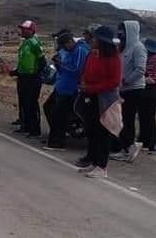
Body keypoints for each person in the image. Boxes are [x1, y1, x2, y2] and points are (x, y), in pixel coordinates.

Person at [76, 26, 123, 178]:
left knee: (103, 132)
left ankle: (102, 166)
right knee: (91, 130)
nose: (92, 40)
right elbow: (85, 71)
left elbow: (115, 81)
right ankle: (94, 161)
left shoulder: (113, 58)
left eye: (95, 38)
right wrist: (84, 83)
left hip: (105, 99)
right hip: (89, 95)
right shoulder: (92, 54)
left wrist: (93, 87)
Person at [43, 30, 89, 150]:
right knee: (50, 108)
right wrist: (58, 66)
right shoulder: (65, 52)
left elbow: (77, 70)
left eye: (64, 45)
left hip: (71, 89)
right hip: (61, 87)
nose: (63, 48)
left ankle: (58, 141)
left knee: (60, 114)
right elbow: (62, 69)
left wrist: (61, 65)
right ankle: (56, 136)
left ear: (70, 42)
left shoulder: (80, 51)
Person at [109, 20, 147, 163]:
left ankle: (128, 148)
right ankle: (126, 147)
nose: (120, 34)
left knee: (127, 119)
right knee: (123, 120)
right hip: (123, 89)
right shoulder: (123, 47)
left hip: (134, 89)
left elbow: (140, 69)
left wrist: (126, 80)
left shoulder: (138, 48)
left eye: (122, 31)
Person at [12, 19, 45, 138]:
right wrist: (16, 72)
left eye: (24, 29)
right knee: (24, 102)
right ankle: (25, 125)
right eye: (22, 29)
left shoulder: (35, 43)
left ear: (31, 31)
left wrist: (35, 74)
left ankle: (35, 129)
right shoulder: (25, 43)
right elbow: (24, 61)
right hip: (23, 76)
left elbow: (43, 61)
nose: (22, 31)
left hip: (32, 78)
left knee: (31, 103)